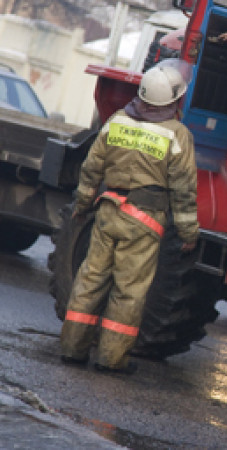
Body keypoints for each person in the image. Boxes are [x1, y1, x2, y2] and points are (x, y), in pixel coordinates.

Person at [60, 59, 199, 375]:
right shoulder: (177, 135)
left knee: (89, 280)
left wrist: (83, 204)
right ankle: (111, 359)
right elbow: (184, 190)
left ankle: (72, 350)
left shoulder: (116, 121)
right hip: (143, 222)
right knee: (129, 290)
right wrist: (189, 233)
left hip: (107, 213)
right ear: (175, 99)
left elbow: (91, 168)